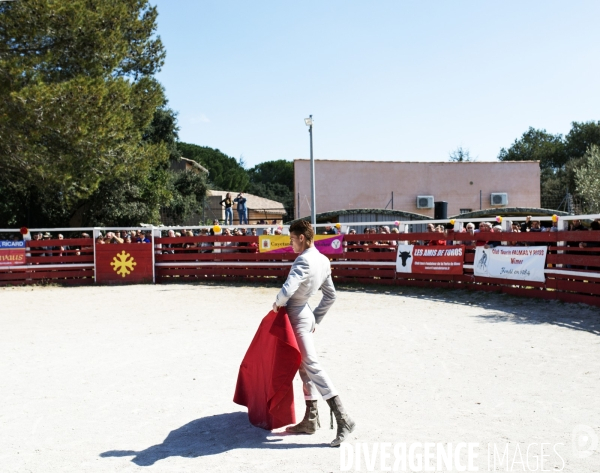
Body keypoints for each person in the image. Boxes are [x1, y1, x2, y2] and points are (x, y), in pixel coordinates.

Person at [273, 220, 355, 447]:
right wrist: (315, 318)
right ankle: (310, 419)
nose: (291, 244)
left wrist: (277, 303)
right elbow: (331, 296)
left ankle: (343, 418)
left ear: (302, 237)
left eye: (292, 239)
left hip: (297, 317)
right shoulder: (323, 260)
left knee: (311, 365)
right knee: (303, 366)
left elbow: (287, 290)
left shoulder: (303, 260)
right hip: (307, 315)